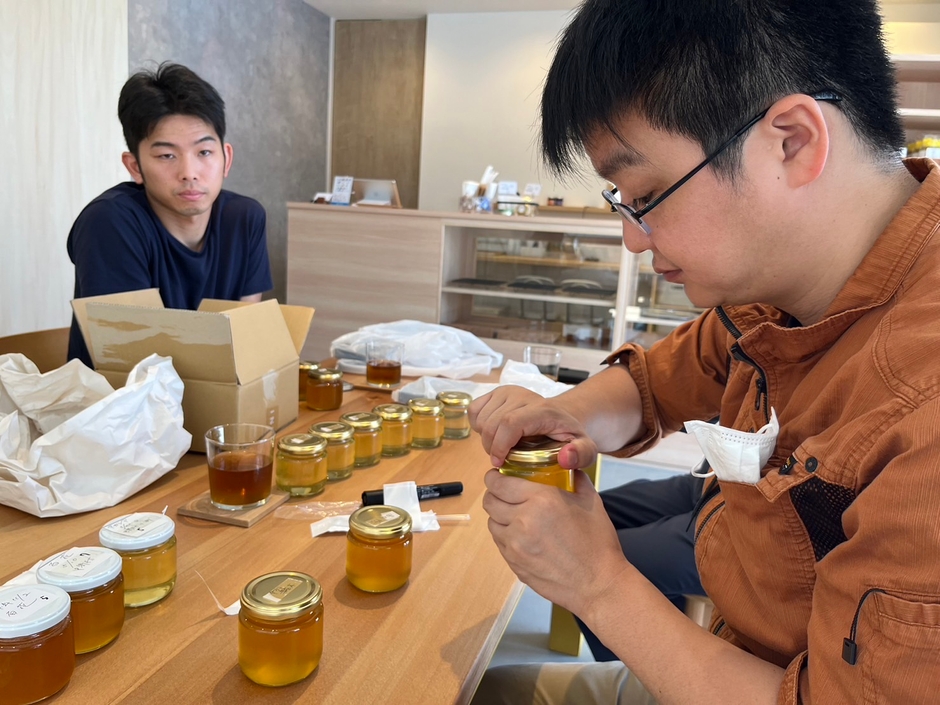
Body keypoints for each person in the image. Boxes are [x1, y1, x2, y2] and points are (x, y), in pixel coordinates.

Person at [469, 0, 940, 702]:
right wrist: (568, 418)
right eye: (625, 202)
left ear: (792, 142)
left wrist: (599, 584)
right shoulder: (786, 286)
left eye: (649, 194)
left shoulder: (923, 410)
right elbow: (663, 379)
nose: (634, 237)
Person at [67, 62, 272, 368]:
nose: (189, 173)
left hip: (215, 396)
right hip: (120, 397)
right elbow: (132, 367)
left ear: (226, 158)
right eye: (166, 155)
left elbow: (243, 348)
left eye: (204, 152)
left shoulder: (245, 220)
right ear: (135, 167)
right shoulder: (110, 223)